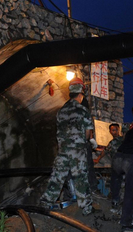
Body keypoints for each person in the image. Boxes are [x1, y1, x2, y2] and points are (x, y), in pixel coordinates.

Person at [40, 77, 96, 216]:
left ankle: (44, 205)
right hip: (77, 151)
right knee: (81, 178)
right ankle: (86, 208)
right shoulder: (83, 111)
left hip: (63, 150)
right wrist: (90, 140)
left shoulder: (61, 111)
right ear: (81, 93)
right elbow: (88, 134)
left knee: (57, 178)